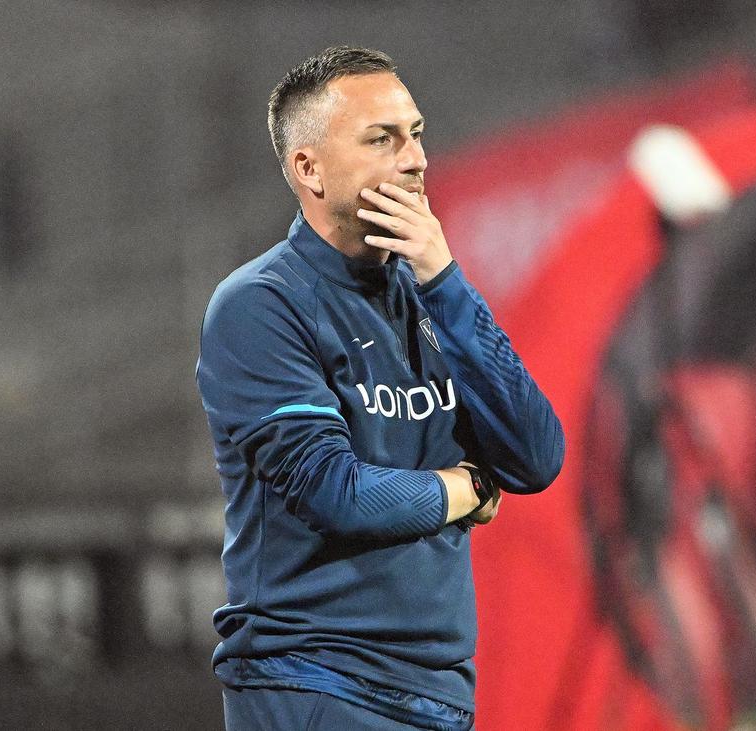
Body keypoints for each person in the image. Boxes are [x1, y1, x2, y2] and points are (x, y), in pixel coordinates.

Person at [195, 46, 564, 731]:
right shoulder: (260, 305)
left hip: (437, 694)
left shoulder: (431, 295)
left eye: (416, 134)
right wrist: (467, 490)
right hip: (314, 683)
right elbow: (333, 491)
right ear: (309, 168)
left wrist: (446, 280)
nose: (415, 158)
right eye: (381, 139)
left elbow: (537, 457)